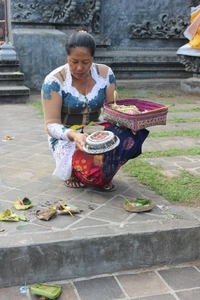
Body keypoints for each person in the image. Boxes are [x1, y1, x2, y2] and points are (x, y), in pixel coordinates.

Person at [41, 29, 149, 191]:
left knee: (132, 134)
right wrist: (75, 135)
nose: (79, 68)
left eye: (85, 62)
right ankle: (75, 172)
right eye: (73, 61)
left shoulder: (105, 74)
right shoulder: (54, 81)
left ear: (93, 58)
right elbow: (51, 125)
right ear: (67, 57)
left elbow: (114, 109)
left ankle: (105, 172)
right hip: (68, 136)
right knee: (89, 171)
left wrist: (130, 117)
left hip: (96, 129)